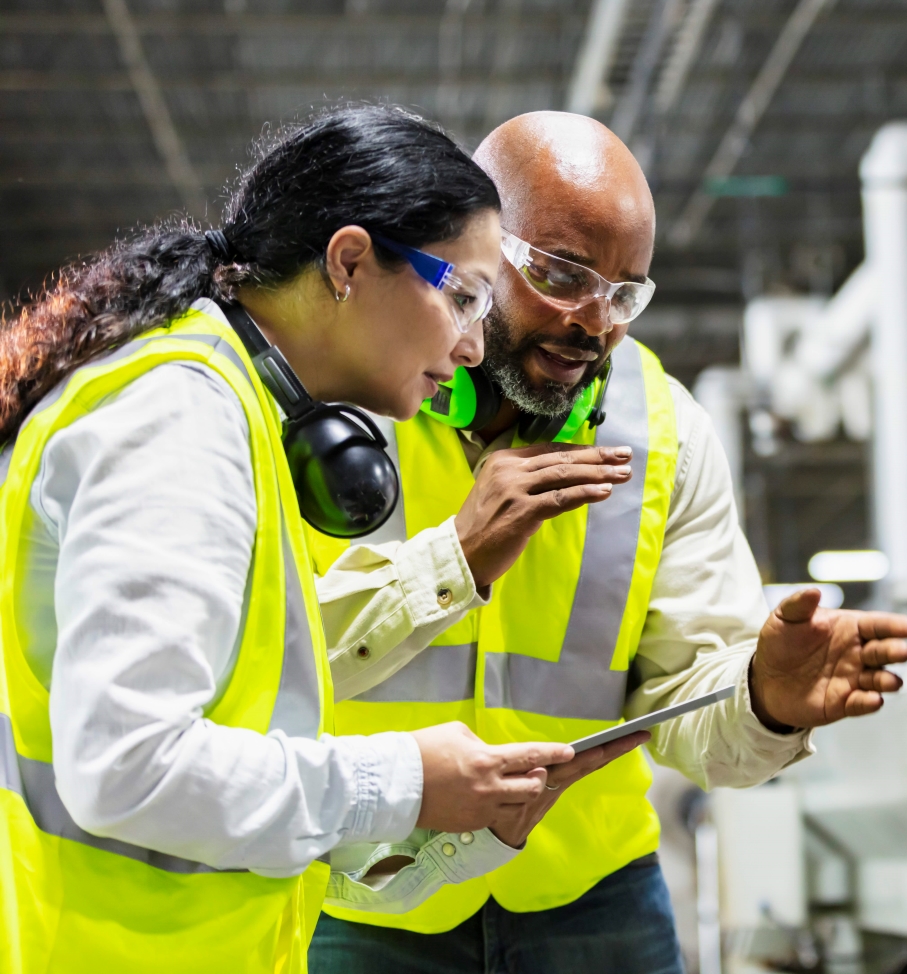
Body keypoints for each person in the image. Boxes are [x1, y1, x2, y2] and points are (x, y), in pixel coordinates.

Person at [0, 106, 645, 974]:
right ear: (348, 263)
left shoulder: (242, 418)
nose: (467, 343)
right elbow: (130, 770)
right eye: (459, 296)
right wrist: (405, 779)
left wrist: (454, 823)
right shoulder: (179, 421)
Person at [306, 111, 907, 973]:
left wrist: (760, 695)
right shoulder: (342, 398)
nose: (595, 322)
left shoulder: (665, 434)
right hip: (359, 882)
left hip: (591, 899)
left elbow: (688, 705)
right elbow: (265, 654)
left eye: (625, 291)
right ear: (478, 249)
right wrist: (452, 560)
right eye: (562, 274)